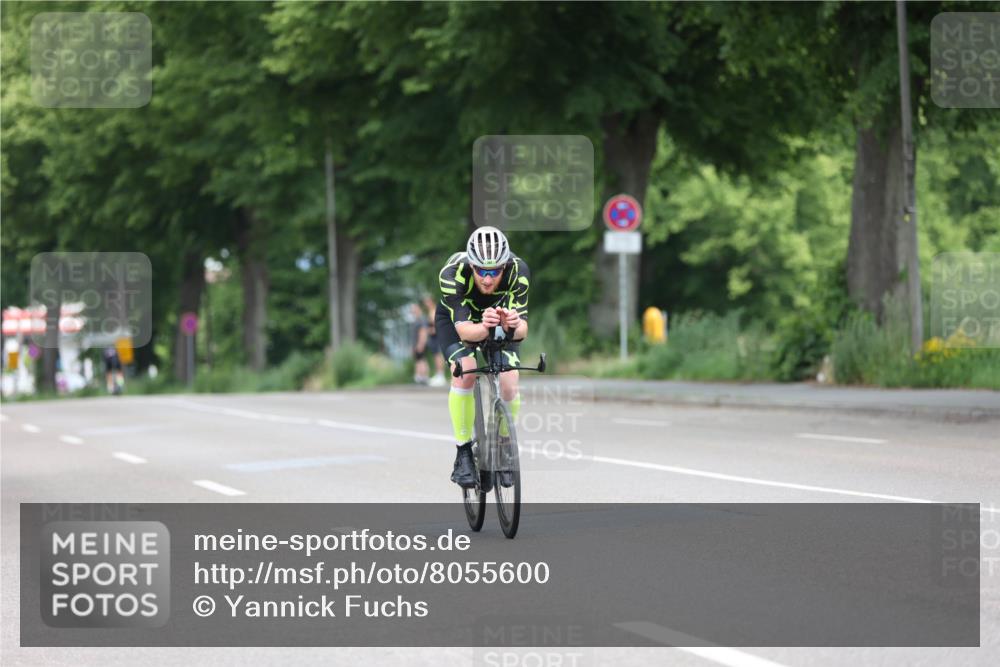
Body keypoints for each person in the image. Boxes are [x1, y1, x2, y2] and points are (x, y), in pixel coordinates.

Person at [436, 226, 529, 487]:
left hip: (496, 320)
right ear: (471, 265)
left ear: (505, 266)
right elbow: (465, 331)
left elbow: (522, 330)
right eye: (481, 271)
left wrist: (512, 324)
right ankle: (463, 452)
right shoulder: (452, 273)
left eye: (495, 271)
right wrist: (486, 326)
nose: (487, 279)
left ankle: (504, 445)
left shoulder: (518, 272)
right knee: (467, 371)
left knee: (510, 383)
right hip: (457, 322)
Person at [423, 295, 447, 387]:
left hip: (437, 337)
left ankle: (441, 375)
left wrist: (428, 331)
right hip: (433, 338)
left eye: (427, 302)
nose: (426, 304)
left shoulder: (434, 311)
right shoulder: (430, 311)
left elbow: (437, 326)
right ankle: (438, 374)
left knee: (438, 356)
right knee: (436, 356)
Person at [410, 303, 430, 384]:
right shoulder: (416, 319)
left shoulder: (421, 319)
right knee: (418, 360)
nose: (412, 311)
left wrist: (421, 344)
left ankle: (424, 377)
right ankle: (419, 377)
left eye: (414, 309)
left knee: (422, 360)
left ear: (418, 309)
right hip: (416, 344)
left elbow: (423, 332)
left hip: (420, 344)